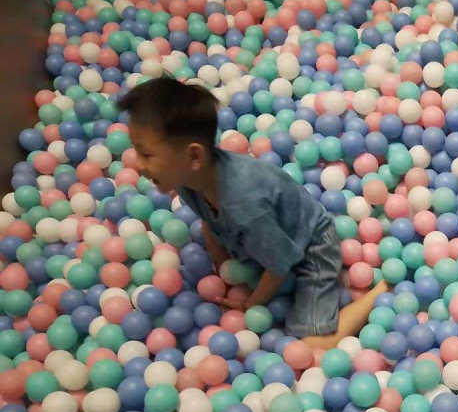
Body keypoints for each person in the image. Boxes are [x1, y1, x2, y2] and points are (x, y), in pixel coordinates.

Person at [117, 77, 386, 351]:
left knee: (314, 344)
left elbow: (279, 265)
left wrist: (252, 304)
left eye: (146, 155)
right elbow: (209, 221)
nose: (136, 165)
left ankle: (382, 290)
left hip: (312, 246)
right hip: (272, 236)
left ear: (194, 157)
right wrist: (221, 265)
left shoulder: (244, 206)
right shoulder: (190, 180)